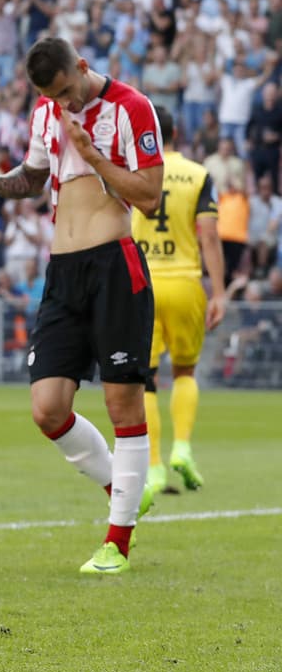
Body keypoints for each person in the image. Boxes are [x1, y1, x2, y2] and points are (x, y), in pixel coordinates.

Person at [0, 36, 163, 575]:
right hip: (63, 271)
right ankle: (121, 488)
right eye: (55, 97)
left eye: (69, 91)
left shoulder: (131, 108)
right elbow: (31, 178)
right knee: (47, 408)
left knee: (125, 406)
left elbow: (149, 195)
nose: (66, 104)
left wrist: (91, 151)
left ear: (83, 65)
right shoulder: (48, 111)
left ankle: (118, 540)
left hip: (115, 265)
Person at [131, 106, 226, 496]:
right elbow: (209, 236)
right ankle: (183, 447)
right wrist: (218, 291)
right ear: (176, 134)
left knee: (146, 381)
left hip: (143, 283)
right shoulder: (198, 174)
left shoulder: (134, 172)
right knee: (185, 372)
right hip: (185, 282)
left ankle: (153, 467)